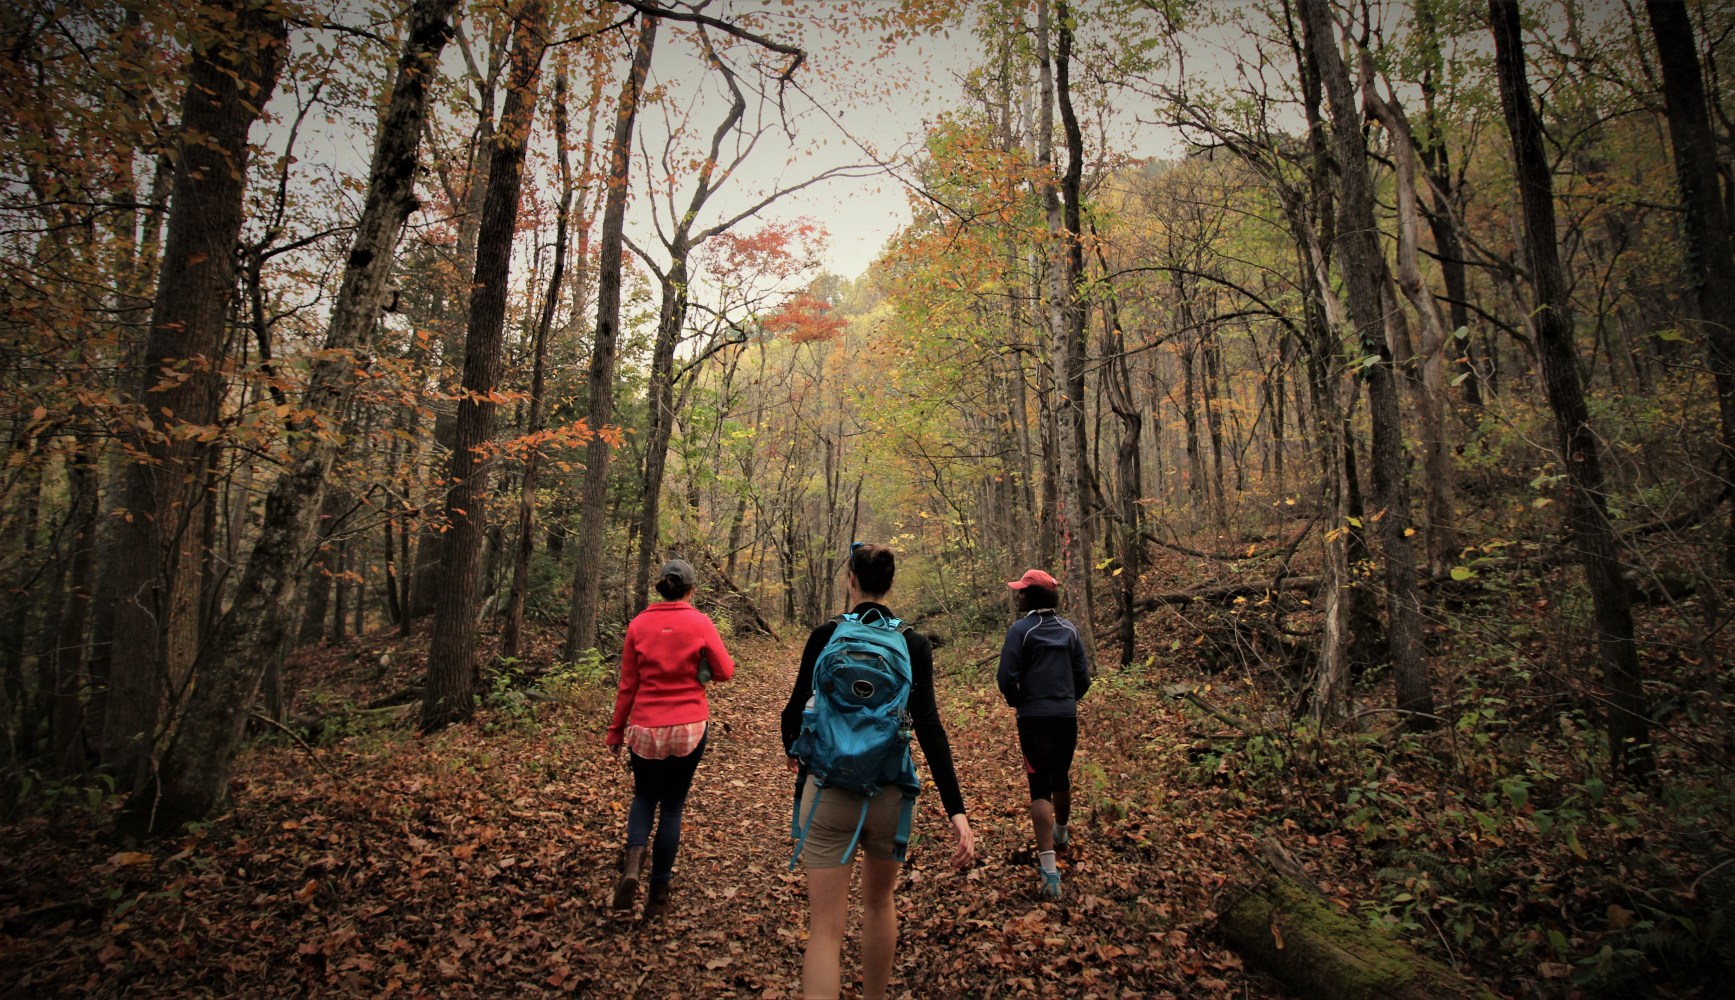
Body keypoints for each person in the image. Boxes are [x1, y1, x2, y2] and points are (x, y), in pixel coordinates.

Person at [782, 543, 975, 1000]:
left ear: (851, 578)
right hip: (889, 794)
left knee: (825, 931)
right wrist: (957, 811)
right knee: (878, 904)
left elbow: (792, 714)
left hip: (828, 791)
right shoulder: (912, 642)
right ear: (891, 583)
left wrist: (796, 749)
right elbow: (929, 727)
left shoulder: (825, 635)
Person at [605, 558, 735, 920]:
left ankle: (633, 863)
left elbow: (628, 685)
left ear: (661, 587)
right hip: (689, 727)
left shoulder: (638, 624)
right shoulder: (700, 622)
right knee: (673, 805)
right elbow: (725, 671)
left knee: (645, 797)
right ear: (691, 590)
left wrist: (616, 731)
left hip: (645, 728)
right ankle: (658, 896)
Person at [997, 568, 1091, 901]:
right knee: (1060, 776)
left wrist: (1019, 701)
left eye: (1021, 591)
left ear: (1032, 596)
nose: (1017, 595)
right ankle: (1061, 835)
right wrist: (1066, 700)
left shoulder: (1020, 631)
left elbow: (1006, 678)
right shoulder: (1070, 630)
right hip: (1065, 716)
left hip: (1034, 718)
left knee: (1039, 785)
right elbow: (1083, 678)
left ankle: (1049, 870)